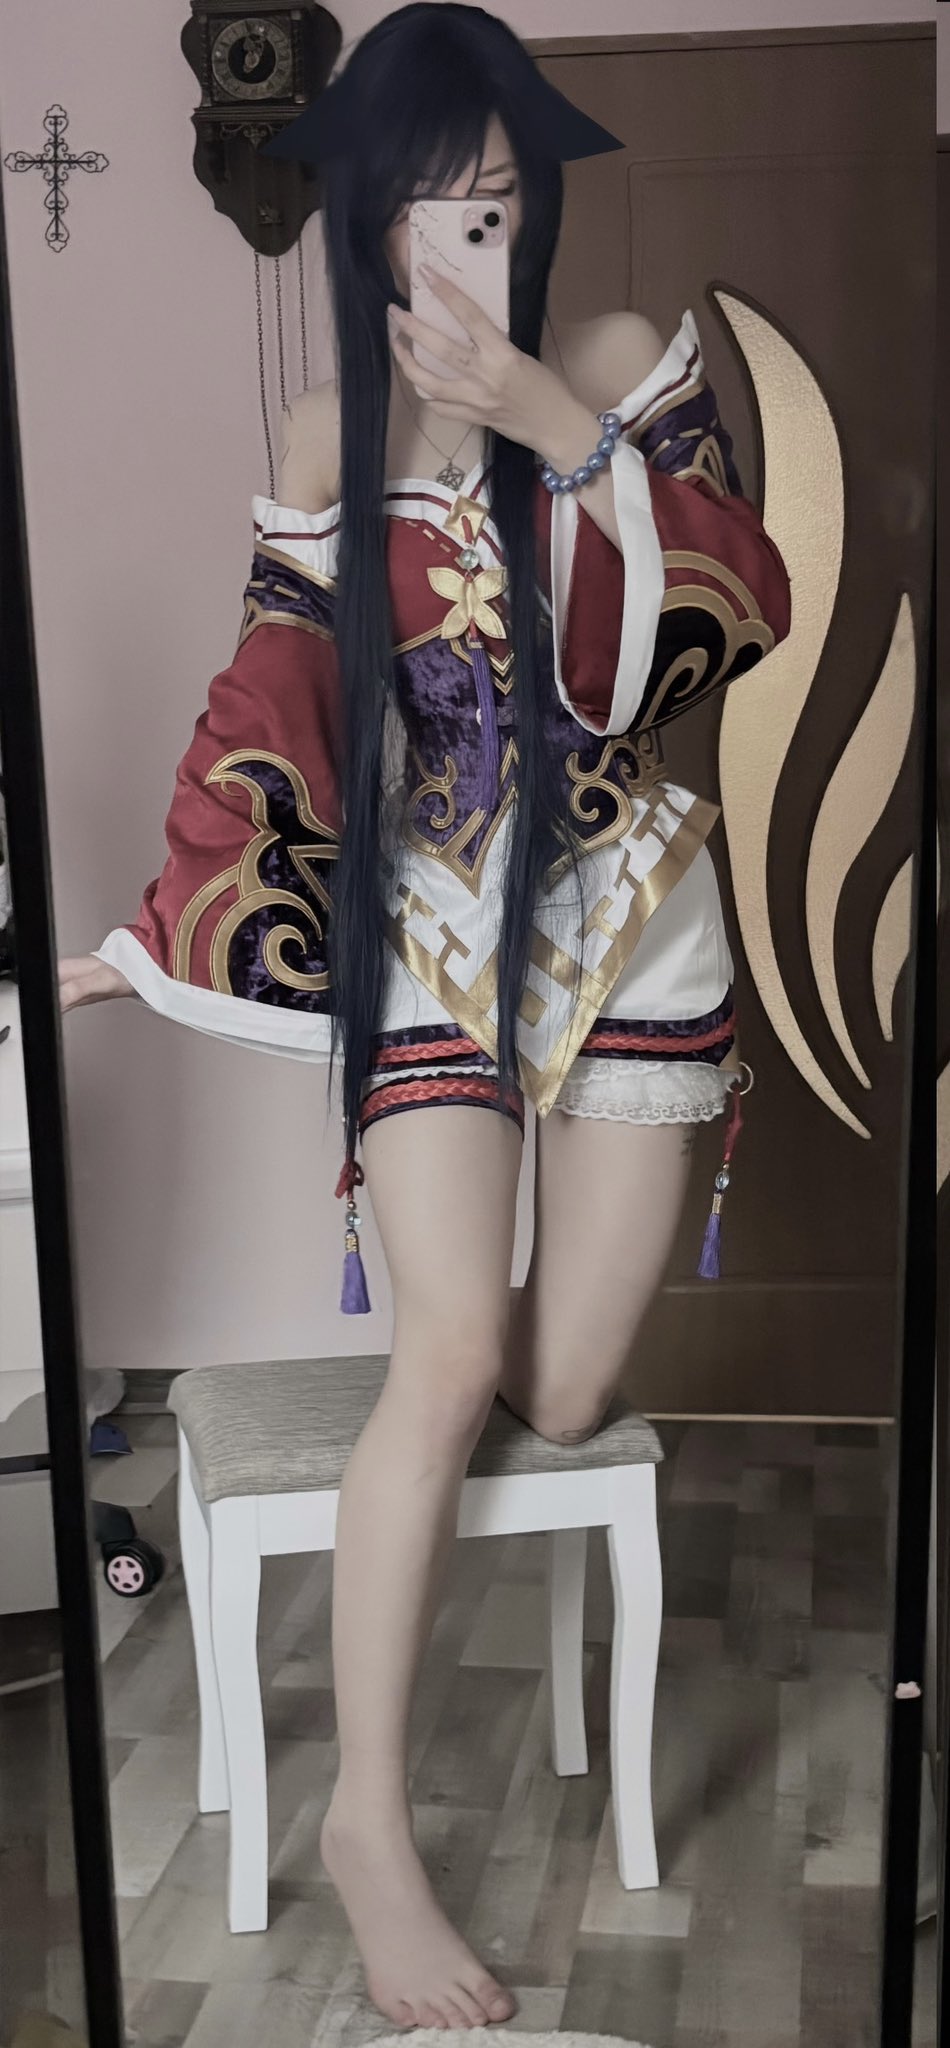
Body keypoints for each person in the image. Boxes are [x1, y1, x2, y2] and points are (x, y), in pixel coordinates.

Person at [59, 4, 792, 2029]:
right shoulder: (333, 438)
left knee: (560, 1391)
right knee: (452, 1349)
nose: (476, 241)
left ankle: (441, 1473)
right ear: (365, 224)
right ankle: (370, 1826)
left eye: (497, 201)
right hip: (437, 939)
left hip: (636, 930)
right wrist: (154, 933)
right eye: (433, 209)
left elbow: (725, 618)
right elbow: (273, 700)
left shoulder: (624, 359)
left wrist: (563, 428)